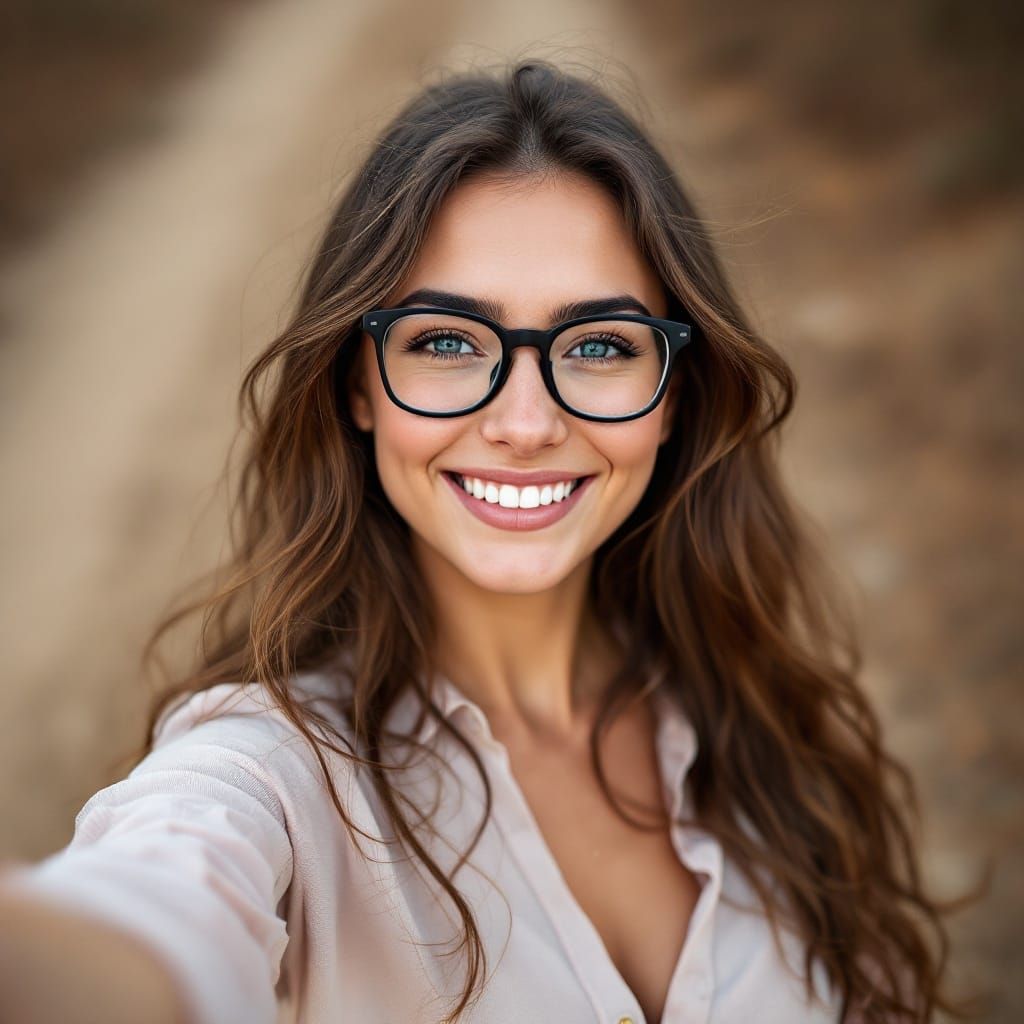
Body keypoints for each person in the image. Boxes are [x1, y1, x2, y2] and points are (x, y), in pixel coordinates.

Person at [0, 58, 970, 1024]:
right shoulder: (271, 774)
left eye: (599, 346)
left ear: (673, 395)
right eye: (446, 341)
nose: (525, 424)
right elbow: (150, 923)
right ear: (358, 385)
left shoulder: (759, 722)